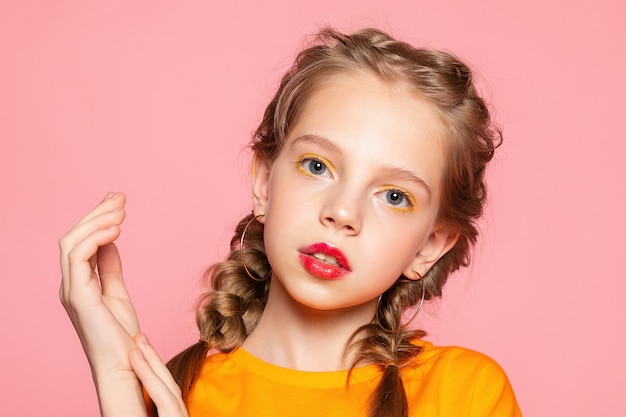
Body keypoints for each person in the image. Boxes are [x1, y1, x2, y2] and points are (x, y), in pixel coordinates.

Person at [59, 28, 521, 417]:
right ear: (264, 181)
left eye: (394, 196)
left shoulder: (465, 394)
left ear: (430, 246)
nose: (342, 213)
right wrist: (117, 379)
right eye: (318, 166)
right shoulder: (169, 397)